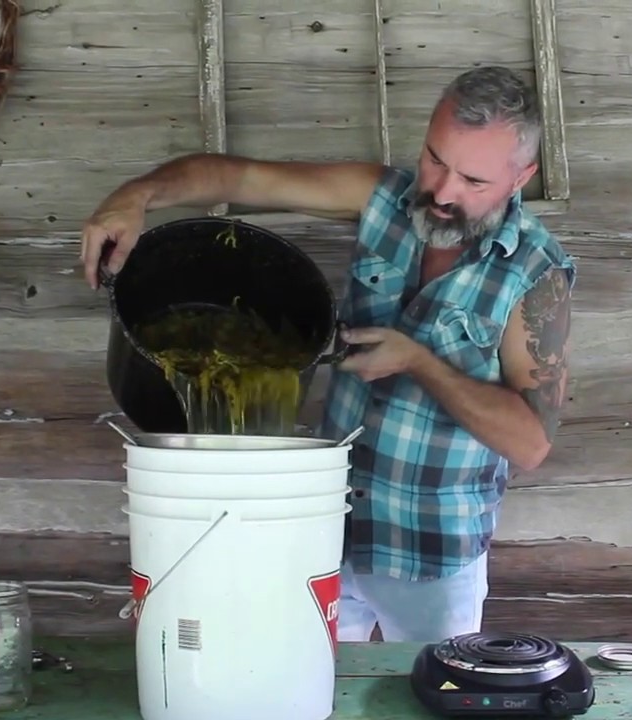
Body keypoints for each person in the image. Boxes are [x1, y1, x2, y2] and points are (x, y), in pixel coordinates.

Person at [80, 66, 576, 643]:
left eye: (473, 180)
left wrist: (418, 362)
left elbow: (531, 442)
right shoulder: (383, 198)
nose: (442, 192)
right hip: (321, 530)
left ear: (522, 178)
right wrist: (134, 195)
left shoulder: (535, 275)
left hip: (430, 548)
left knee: (427, 696)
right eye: (435, 159)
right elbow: (236, 176)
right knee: (307, 687)